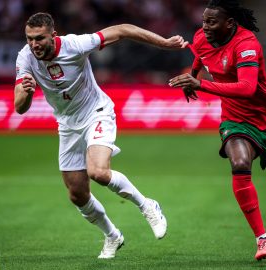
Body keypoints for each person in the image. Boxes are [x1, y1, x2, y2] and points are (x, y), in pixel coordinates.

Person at [14, 12, 188, 259]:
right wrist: (28, 92)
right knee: (77, 194)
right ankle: (112, 236)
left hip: (96, 112)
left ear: (53, 35)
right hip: (67, 125)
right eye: (30, 39)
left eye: (39, 38)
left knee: (98, 172)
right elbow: (19, 107)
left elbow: (123, 29)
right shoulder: (25, 58)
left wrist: (164, 43)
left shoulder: (75, 45)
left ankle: (147, 205)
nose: (34, 44)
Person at [169, 0, 266, 262]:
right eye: (204, 21)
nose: (204, 27)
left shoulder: (247, 44)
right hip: (234, 120)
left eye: (211, 22)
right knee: (239, 163)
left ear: (230, 23)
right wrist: (191, 76)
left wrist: (200, 84)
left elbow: (247, 88)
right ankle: (262, 239)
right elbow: (201, 55)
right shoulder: (202, 36)